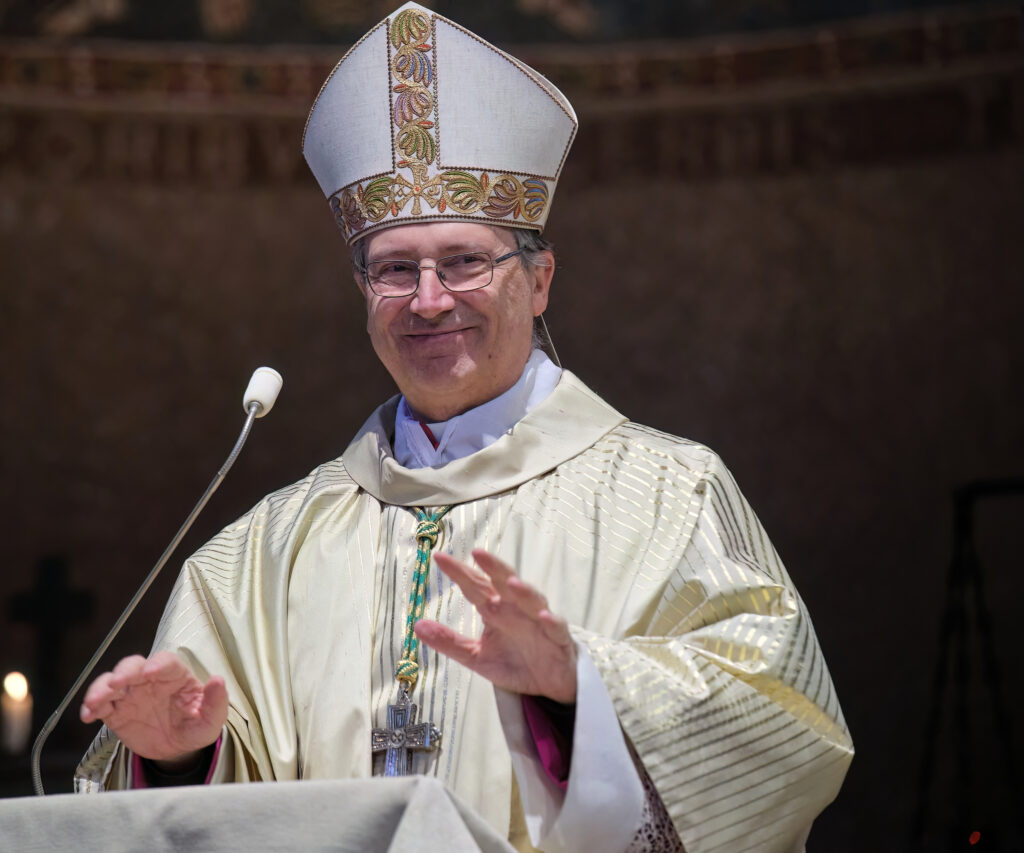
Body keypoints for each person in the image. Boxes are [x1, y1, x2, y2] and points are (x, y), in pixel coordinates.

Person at [74, 4, 853, 852]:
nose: (429, 298)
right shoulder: (259, 554)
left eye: (466, 261)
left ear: (541, 278)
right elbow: (175, 807)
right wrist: (182, 760)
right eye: (394, 270)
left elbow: (789, 720)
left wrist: (580, 694)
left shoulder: (669, 494)